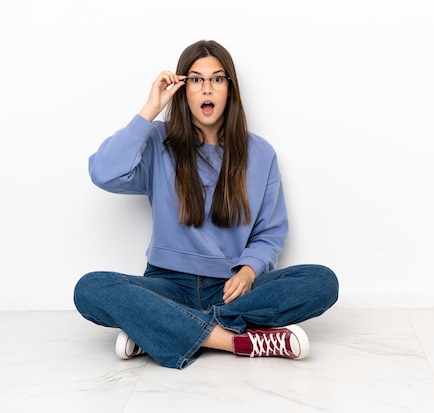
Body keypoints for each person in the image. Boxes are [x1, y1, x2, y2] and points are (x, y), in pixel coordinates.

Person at [73, 40, 339, 369]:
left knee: (321, 281)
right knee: (91, 288)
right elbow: (103, 173)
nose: (206, 89)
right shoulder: (158, 141)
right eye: (196, 80)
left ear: (230, 88)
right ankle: (233, 341)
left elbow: (270, 232)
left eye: (217, 79)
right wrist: (149, 111)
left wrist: (248, 270)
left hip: (231, 287)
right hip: (168, 284)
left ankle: (160, 329)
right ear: (183, 88)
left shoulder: (260, 153)